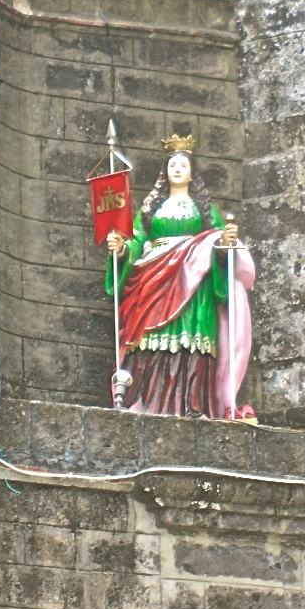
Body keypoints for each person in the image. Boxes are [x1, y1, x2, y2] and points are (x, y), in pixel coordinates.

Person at [106, 135, 255, 418]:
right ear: (165, 172)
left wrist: (226, 244)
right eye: (172, 165)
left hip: (194, 284)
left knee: (193, 341)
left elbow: (218, 243)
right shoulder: (151, 209)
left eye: (183, 166)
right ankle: (145, 400)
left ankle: (193, 405)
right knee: (148, 339)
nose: (177, 169)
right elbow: (137, 238)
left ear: (191, 174)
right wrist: (122, 250)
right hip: (152, 280)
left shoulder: (206, 211)